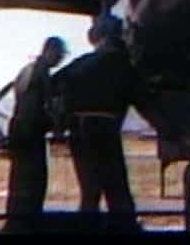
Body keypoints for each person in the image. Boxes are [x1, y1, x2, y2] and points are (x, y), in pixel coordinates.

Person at [53, 15, 140, 232]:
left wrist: (59, 123)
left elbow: (54, 85)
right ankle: (124, 227)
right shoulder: (123, 64)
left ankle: (87, 227)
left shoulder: (78, 64)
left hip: (78, 132)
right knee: (115, 185)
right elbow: (142, 96)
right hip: (104, 129)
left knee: (89, 188)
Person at [0, 36, 67, 234]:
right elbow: (31, 108)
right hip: (28, 134)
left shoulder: (29, 71)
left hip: (22, 132)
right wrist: (53, 124)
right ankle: (23, 225)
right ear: (50, 51)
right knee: (32, 181)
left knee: (20, 181)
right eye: (59, 54)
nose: (60, 59)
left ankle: (18, 222)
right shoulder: (39, 73)